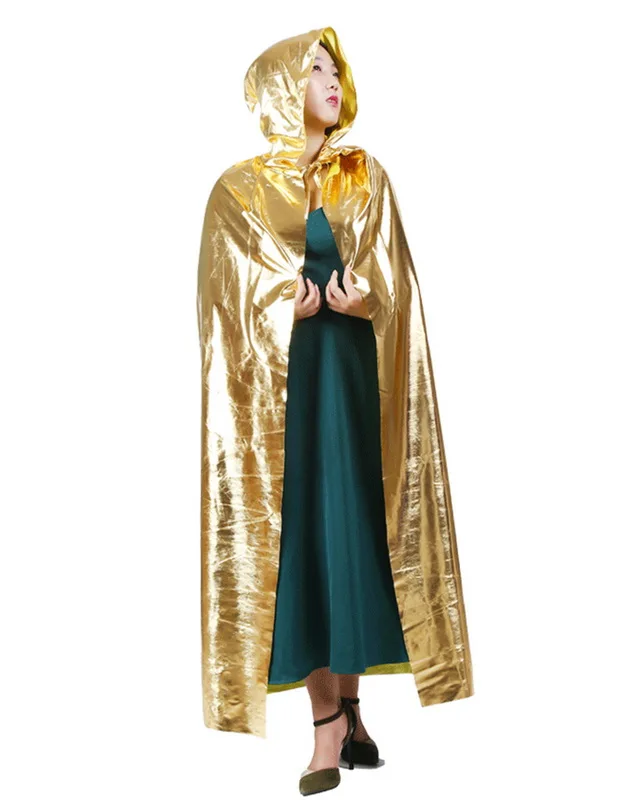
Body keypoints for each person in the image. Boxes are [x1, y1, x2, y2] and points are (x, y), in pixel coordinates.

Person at [196, 27, 474, 797]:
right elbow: (220, 300)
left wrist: (365, 299)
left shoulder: (365, 175)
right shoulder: (239, 191)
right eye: (312, 67)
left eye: (334, 68)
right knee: (303, 541)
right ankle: (328, 725)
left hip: (354, 379)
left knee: (355, 534)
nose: (330, 78)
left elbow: (396, 278)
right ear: (282, 88)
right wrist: (279, 304)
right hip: (286, 397)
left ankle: (350, 713)